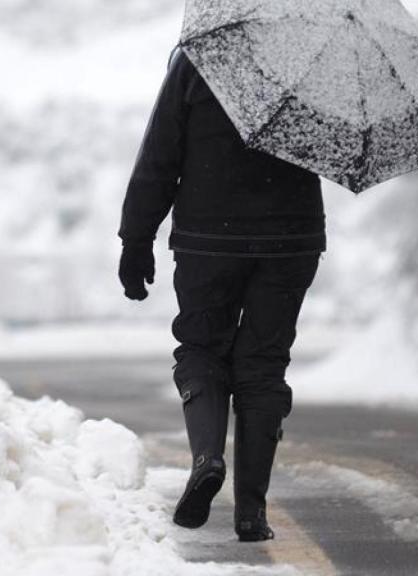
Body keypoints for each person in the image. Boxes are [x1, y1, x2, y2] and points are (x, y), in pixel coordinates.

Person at [118, 47, 325, 542]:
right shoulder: (319, 59)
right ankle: (252, 514)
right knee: (264, 364)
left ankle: (208, 458)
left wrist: (136, 238)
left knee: (202, 349)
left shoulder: (202, 56)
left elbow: (160, 153)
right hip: (290, 239)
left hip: (209, 238)